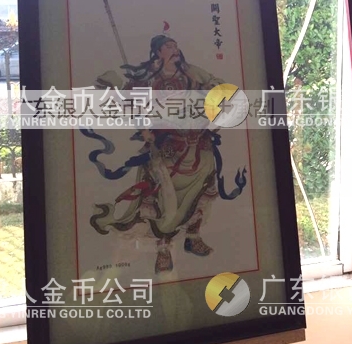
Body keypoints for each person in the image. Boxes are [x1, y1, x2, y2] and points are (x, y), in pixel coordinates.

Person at [85, 32, 247, 274]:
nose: (175, 49)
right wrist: (143, 124)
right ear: (158, 52)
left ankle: (193, 236)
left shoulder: (191, 72)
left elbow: (217, 86)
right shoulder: (150, 78)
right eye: (169, 46)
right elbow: (132, 103)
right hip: (168, 146)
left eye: (176, 45)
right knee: (166, 200)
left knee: (203, 192)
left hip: (197, 143)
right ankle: (163, 246)